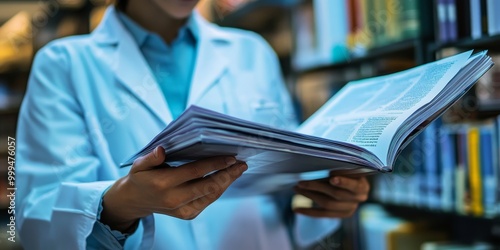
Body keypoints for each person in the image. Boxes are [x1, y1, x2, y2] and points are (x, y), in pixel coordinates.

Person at [16, 0, 370, 249]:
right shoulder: (63, 64)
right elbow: (38, 220)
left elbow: (289, 181)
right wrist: (124, 204)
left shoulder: (252, 52)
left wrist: (328, 199)